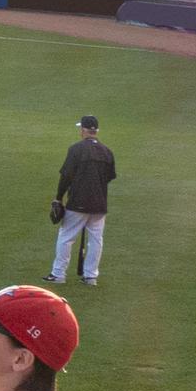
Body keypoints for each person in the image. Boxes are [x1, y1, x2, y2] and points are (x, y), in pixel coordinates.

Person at [48, 116, 116, 286]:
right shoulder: (107, 151)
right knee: (96, 240)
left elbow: (66, 176)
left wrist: (59, 197)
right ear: (96, 131)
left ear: (84, 130)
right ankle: (91, 276)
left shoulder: (76, 149)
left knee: (66, 237)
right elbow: (109, 177)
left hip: (78, 202)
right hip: (100, 204)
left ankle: (58, 275)